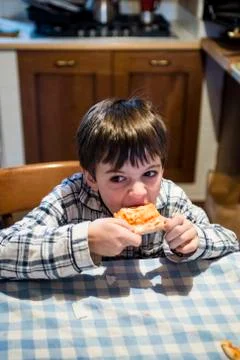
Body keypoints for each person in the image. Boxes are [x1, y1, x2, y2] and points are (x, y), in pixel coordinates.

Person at [0, 98, 239, 279]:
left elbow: (229, 241)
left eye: (149, 174)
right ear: (91, 177)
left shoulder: (171, 199)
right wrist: (87, 239)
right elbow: (5, 247)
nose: (139, 193)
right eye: (118, 178)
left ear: (162, 169)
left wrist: (195, 240)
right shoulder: (69, 198)